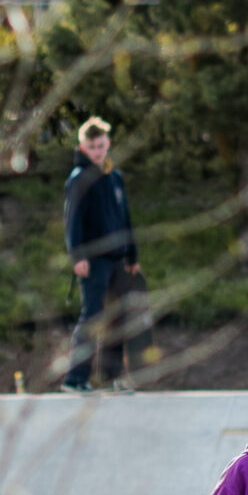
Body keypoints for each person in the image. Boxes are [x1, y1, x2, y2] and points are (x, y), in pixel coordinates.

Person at [61, 116, 146, 394]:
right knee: (92, 317)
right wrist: (78, 256)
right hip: (93, 261)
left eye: (101, 145)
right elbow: (72, 220)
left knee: (117, 319)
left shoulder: (114, 176)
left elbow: (125, 218)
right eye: (92, 146)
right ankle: (76, 378)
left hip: (118, 259)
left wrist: (132, 255)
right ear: (83, 147)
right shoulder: (79, 179)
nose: (98, 151)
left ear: (107, 143)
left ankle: (109, 377)